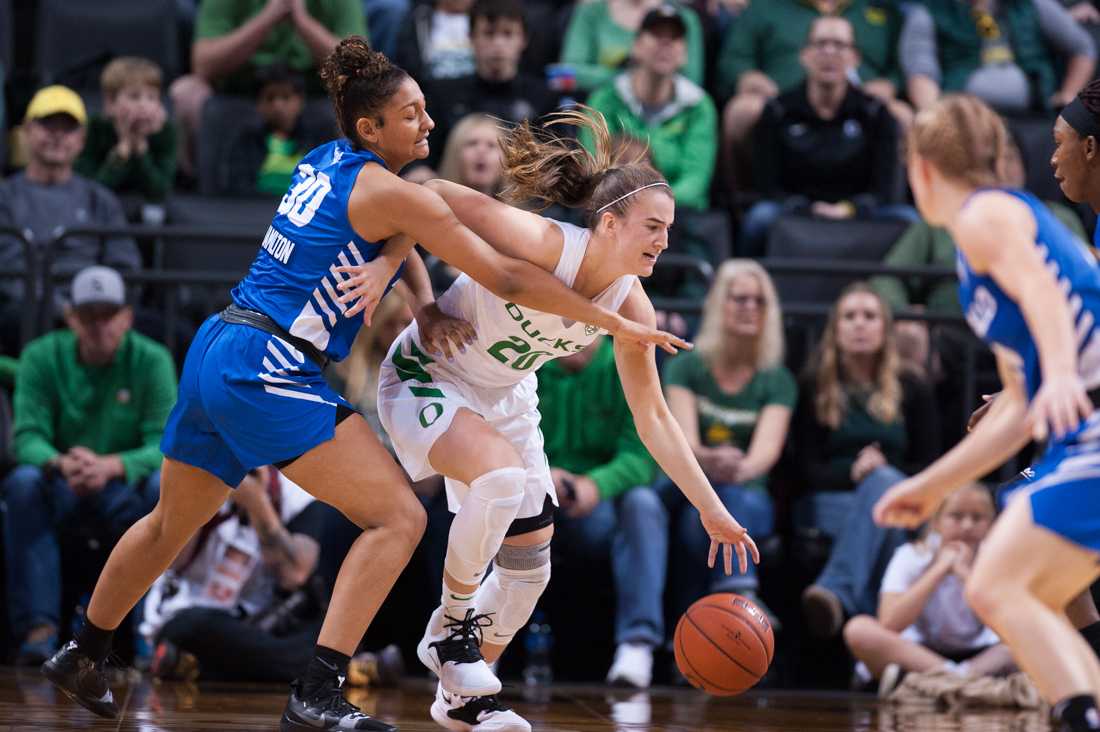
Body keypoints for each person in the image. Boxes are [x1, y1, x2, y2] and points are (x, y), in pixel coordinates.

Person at [40, 38, 683, 732]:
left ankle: (85, 649)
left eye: (428, 109)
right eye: (412, 115)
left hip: (218, 343)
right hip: (269, 365)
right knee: (399, 518)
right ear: (371, 128)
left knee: (172, 522)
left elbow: (397, 231)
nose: (430, 124)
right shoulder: (388, 191)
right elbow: (506, 277)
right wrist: (614, 322)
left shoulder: (328, 162)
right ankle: (316, 690)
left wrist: (413, 293)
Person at [350, 108, 759, 732]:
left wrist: (708, 506)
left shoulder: (630, 300)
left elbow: (651, 416)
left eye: (670, 230)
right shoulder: (545, 242)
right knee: (500, 480)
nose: (664, 241)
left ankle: (463, 702)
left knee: (527, 571)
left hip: (506, 395)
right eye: (652, 226)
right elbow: (429, 195)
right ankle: (450, 631)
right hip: (431, 374)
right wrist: (421, 301)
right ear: (610, 222)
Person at [873, 93, 1100, 732]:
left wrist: (1060, 371)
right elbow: (1018, 407)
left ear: (918, 170)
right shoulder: (987, 231)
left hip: (1092, 430)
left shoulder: (985, 216)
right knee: (1032, 597)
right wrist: (932, 485)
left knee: (997, 586)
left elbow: (1043, 289)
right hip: (1077, 433)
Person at [3, 266, 175, 666]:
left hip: (124, 487)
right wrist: (61, 463)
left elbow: (166, 444)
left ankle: (146, 635)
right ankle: (38, 631)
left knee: (161, 490)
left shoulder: (152, 360)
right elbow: (26, 437)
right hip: (63, 483)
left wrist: (113, 465)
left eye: (108, 314)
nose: (99, 325)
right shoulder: (41, 356)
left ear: (127, 317)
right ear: (71, 318)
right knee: (23, 484)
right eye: (89, 315)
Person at [796, 283, 940, 639]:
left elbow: (930, 464)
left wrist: (883, 475)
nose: (860, 324)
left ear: (885, 328)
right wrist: (854, 471)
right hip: (829, 500)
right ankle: (879, 643)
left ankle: (837, 594)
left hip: (901, 498)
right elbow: (803, 467)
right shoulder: (815, 383)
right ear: (836, 328)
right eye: (850, 316)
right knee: (886, 519)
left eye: (869, 316)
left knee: (884, 494)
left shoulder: (912, 385)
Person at [660, 259, 796, 628]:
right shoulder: (686, 367)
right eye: (740, 299)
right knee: (699, 515)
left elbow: (763, 456)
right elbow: (683, 443)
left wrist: (736, 466)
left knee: (728, 504)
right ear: (720, 303)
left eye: (759, 301)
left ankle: (704, 631)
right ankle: (742, 598)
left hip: (749, 493)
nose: (750, 308)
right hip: (696, 486)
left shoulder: (777, 379)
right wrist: (709, 457)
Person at [740, 16, 912, 257]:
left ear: (855, 58)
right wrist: (808, 208)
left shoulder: (876, 113)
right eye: (820, 44)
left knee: (907, 219)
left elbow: (888, 190)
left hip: (858, 210)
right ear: (804, 55)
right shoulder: (777, 111)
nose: (829, 52)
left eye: (840, 45)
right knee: (759, 218)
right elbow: (767, 186)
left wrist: (850, 208)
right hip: (795, 209)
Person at [0, 85, 140, 355]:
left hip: (97, 309)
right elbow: (9, 269)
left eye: (68, 128)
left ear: (82, 139)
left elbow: (125, 264)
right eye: (47, 125)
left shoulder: (100, 199)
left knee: (173, 332)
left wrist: (97, 309)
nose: (58, 136)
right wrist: (61, 309)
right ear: (26, 132)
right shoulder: (5, 197)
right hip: (28, 311)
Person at [845, 484, 1016, 695]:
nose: (967, 525)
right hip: (919, 653)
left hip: (981, 656)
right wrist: (938, 570)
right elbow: (889, 622)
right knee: (859, 629)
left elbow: (1010, 628)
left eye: (978, 518)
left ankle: (939, 684)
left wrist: (965, 574)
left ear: (991, 525)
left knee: (1022, 644)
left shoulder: (999, 560)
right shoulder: (910, 555)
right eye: (956, 516)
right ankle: (961, 681)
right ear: (936, 522)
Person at [579, 4, 718, 212]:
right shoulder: (604, 99)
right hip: (612, 210)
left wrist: (650, 204)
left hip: (678, 219)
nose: (666, 43)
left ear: (685, 54)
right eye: (656, 34)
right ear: (636, 46)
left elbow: (695, 183)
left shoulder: (699, 107)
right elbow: (592, 169)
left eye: (675, 37)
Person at [901, 0, 1096, 113]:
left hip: (1034, 116)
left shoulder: (1030, 5)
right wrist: (937, 116)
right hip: (967, 118)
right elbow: (921, 72)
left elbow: (1082, 48)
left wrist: (1069, 94)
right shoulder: (931, 12)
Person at [74, 57, 177, 203]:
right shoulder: (94, 128)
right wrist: (123, 150)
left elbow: (159, 191)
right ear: (110, 103)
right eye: (134, 97)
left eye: (152, 97)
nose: (144, 105)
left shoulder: (166, 132)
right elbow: (92, 191)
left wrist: (141, 149)